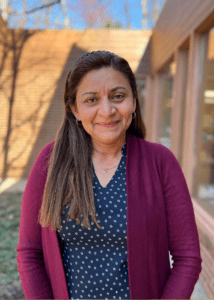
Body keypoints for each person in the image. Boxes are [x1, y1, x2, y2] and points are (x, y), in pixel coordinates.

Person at [16, 50, 202, 300]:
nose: (107, 110)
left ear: (134, 102)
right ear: (75, 110)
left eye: (118, 96)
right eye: (91, 100)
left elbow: (187, 258)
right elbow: (30, 253)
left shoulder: (160, 162)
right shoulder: (50, 163)